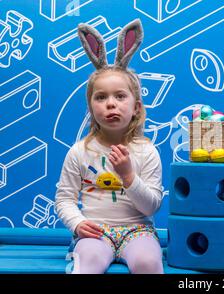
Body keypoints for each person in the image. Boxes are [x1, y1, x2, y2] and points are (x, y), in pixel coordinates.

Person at [55, 19, 164, 274]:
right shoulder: (79, 151)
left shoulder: (146, 151)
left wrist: (128, 176)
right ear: (91, 107)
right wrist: (78, 223)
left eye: (120, 96)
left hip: (138, 231)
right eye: (101, 97)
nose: (111, 104)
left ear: (136, 107)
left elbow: (151, 206)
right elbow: (64, 198)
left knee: (148, 262)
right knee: (87, 264)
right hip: (95, 230)